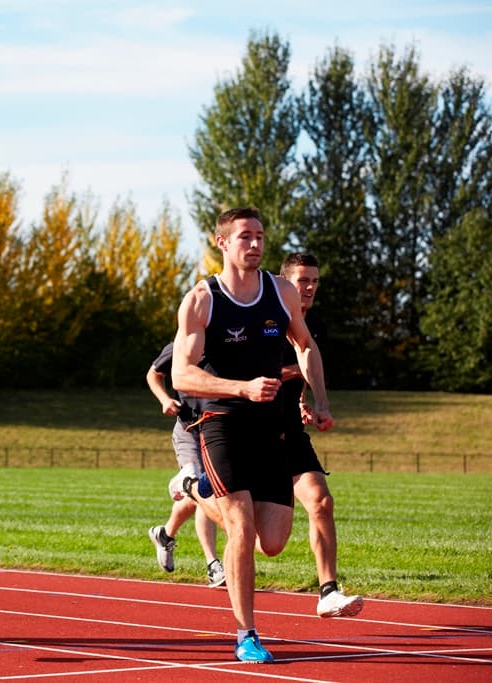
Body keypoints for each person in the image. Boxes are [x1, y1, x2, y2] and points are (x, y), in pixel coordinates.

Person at [172, 207, 334, 664]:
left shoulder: (281, 293)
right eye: (246, 236)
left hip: (270, 428)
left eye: (261, 236)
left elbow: (305, 345)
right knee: (240, 527)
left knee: (272, 542)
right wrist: (239, 387)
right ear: (223, 242)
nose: (256, 244)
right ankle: (247, 634)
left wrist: (319, 400)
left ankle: (190, 490)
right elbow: (183, 374)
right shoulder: (203, 299)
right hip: (220, 423)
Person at [278, 252, 363, 618]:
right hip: (250, 433)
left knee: (321, 502)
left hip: (290, 431)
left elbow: (304, 362)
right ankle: (194, 492)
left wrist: (310, 404)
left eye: (314, 281)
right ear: (286, 284)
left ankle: (328, 590)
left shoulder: (315, 327)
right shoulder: (265, 318)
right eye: (303, 281)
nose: (310, 287)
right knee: (265, 540)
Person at [145, 342, 225, 588]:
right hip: (189, 429)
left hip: (220, 429)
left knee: (197, 494)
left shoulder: (228, 342)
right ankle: (213, 565)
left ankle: (165, 534)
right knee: (203, 489)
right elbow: (153, 374)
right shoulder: (181, 344)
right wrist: (165, 399)